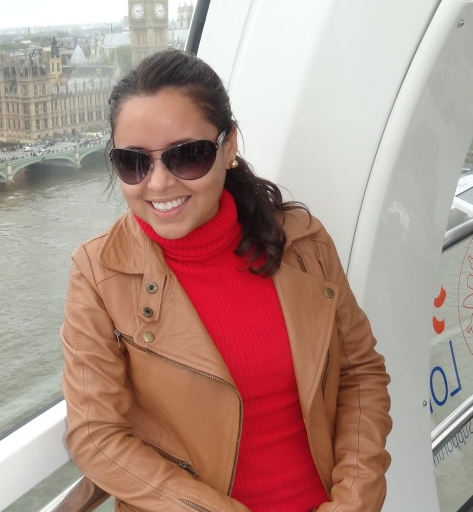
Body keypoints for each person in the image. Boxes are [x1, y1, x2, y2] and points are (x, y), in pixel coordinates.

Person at [60, 50, 391, 512]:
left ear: (228, 146)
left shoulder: (302, 242)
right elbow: (96, 435)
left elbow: (359, 374)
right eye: (134, 162)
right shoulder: (99, 274)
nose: (158, 183)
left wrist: (353, 500)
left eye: (187, 156)